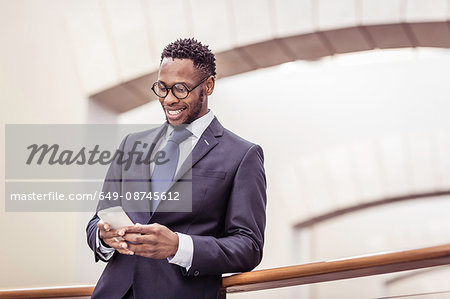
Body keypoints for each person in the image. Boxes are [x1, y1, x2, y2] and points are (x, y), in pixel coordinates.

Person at [86, 38, 267, 299]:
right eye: (162, 88)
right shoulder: (132, 144)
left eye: (180, 89)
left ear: (208, 85)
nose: (168, 99)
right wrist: (105, 237)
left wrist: (178, 246)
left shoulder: (243, 155)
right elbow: (96, 221)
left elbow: (248, 246)